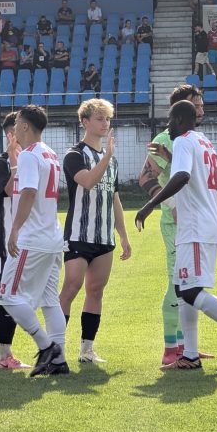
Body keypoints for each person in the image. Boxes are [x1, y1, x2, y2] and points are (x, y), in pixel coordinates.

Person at [136, 100, 217, 371]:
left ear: (180, 120)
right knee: (182, 289)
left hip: (196, 225)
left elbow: (183, 176)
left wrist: (150, 204)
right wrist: (170, 157)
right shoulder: (203, 141)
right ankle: (190, 355)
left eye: (170, 120)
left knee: (190, 290)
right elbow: (195, 174)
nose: (168, 126)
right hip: (202, 223)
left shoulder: (184, 140)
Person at [139, 85, 216, 364]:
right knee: (178, 284)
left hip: (195, 220)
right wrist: (171, 205)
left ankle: (185, 346)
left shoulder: (193, 139)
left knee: (189, 284)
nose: (201, 110)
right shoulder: (166, 138)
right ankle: (170, 348)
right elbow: (145, 178)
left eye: (202, 105)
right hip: (176, 224)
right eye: (197, 105)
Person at [0, 105, 68, 376]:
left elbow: (28, 193)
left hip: (33, 238)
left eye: (16, 122)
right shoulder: (49, 153)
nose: (13, 128)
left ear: (25, 126)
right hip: (52, 237)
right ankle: (59, 361)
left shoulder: (29, 154)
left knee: (7, 296)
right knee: (50, 300)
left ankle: (47, 347)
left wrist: (14, 229)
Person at [59, 100, 131, 363]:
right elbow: (88, 181)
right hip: (79, 235)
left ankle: (87, 350)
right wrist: (107, 156)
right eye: (99, 119)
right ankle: (54, 347)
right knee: (71, 287)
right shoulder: (74, 155)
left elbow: (114, 198)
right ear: (85, 122)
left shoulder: (111, 160)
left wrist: (123, 235)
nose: (105, 123)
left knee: (96, 291)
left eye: (107, 119)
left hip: (103, 237)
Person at [0, 112, 31, 371]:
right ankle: (2, 355)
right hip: (4, 239)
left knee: (18, 295)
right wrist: (16, 164)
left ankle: (6, 354)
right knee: (6, 295)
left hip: (27, 239)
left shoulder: (32, 158)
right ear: (10, 135)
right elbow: (7, 190)